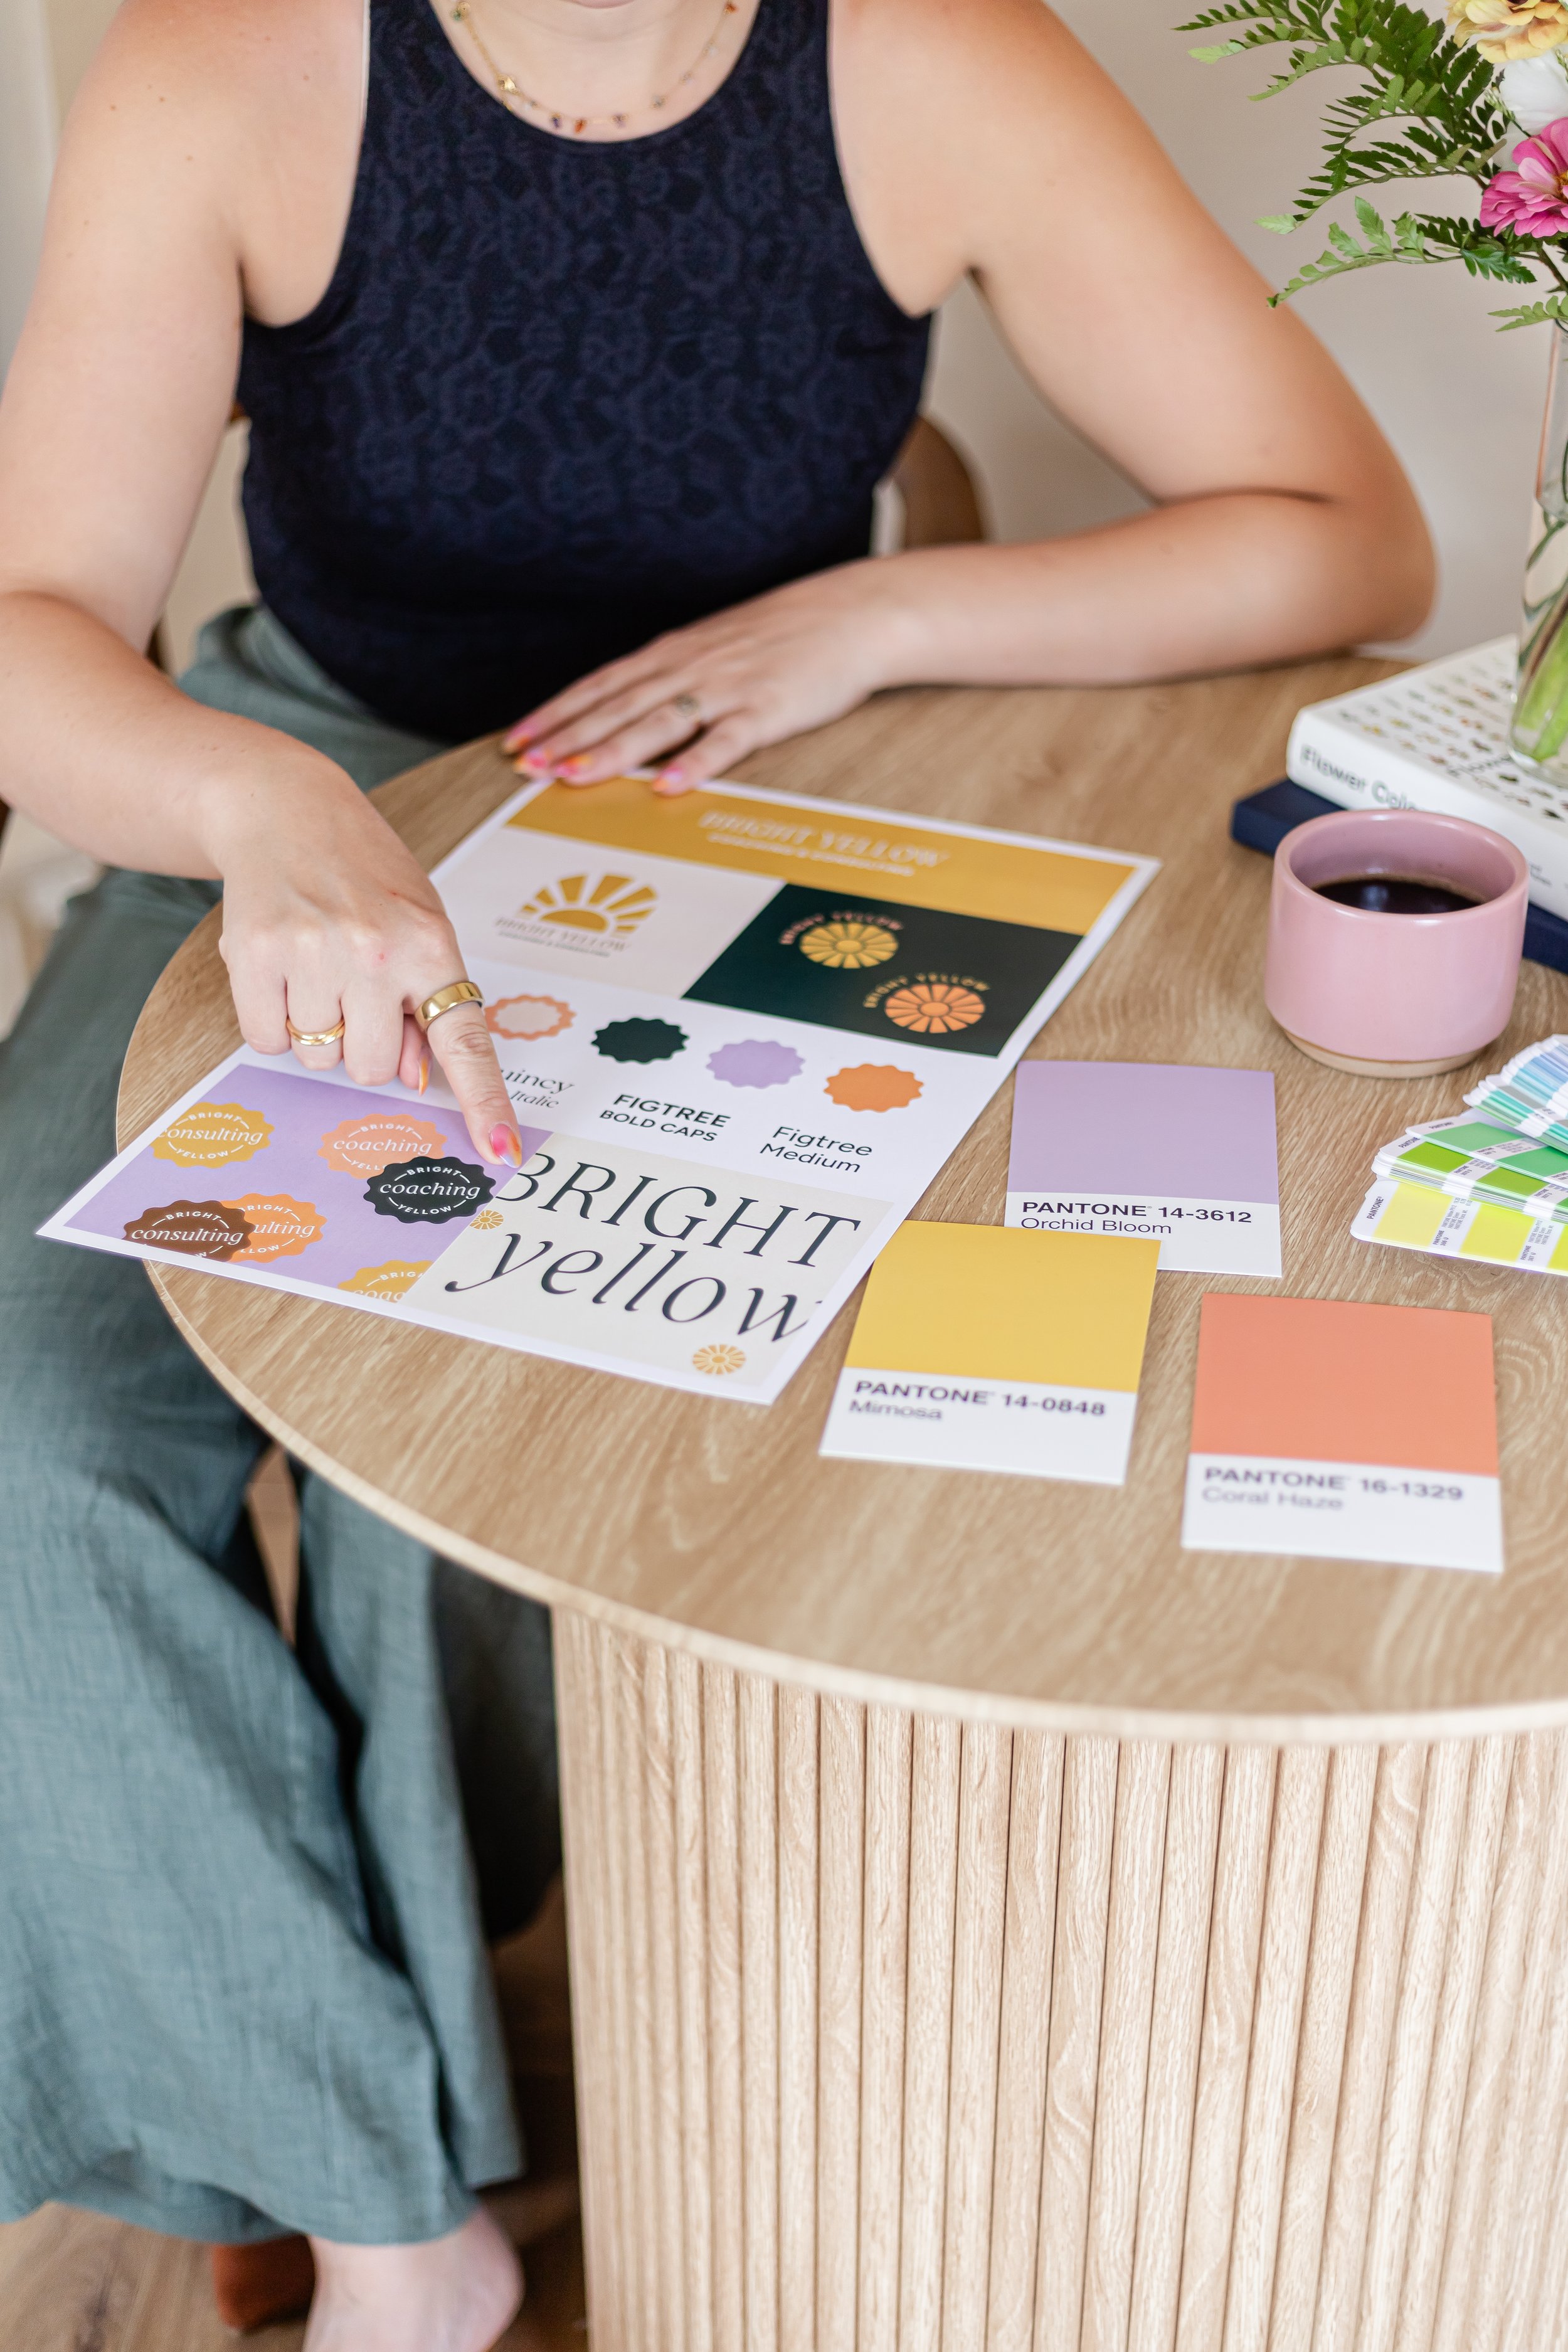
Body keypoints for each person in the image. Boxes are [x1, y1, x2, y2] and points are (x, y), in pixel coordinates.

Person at [0, 0, 1431, 2340]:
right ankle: (391, 2219)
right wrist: (264, 815)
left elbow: (1339, 531)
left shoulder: (932, 60)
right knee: (17, 1441)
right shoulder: (223, 71)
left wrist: (867, 612)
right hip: (296, 815)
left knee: (440, 1469)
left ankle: (374, 2172)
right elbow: (31, 615)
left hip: (733, 842)